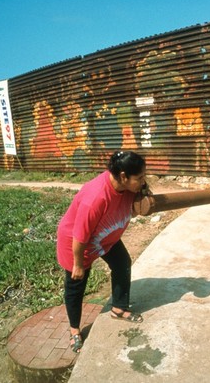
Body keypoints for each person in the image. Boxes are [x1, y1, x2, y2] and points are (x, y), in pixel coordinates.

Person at [56, 150, 148, 353]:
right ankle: (74, 330)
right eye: (139, 178)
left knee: (122, 264)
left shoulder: (127, 186)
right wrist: (78, 264)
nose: (143, 181)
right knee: (75, 286)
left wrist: (145, 193)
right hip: (78, 244)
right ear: (123, 176)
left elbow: (143, 195)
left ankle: (118, 307)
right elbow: (79, 235)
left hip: (106, 237)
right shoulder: (96, 197)